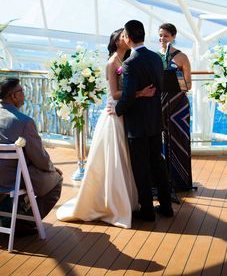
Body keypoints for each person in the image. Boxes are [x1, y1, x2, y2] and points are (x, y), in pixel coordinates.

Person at [57, 28, 155, 228]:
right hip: (113, 116)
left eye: (126, 35)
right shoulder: (112, 63)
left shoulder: (126, 60)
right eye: (122, 36)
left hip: (123, 114)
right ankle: (113, 203)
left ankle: (127, 200)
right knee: (114, 161)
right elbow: (115, 93)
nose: (126, 39)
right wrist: (140, 93)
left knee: (125, 160)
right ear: (116, 41)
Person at [114, 20, 173, 221]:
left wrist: (117, 110)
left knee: (141, 167)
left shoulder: (130, 63)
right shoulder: (156, 58)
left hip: (137, 123)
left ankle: (147, 210)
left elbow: (128, 96)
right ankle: (166, 206)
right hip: (155, 119)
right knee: (158, 162)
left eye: (123, 35)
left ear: (128, 38)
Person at [0, 77, 63, 235]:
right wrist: (52, 169)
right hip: (10, 181)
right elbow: (40, 159)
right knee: (56, 178)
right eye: (22, 91)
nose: (24, 95)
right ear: (13, 96)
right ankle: (25, 223)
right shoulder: (24, 122)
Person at [158, 23, 193, 191]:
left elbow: (188, 85)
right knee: (160, 142)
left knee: (180, 140)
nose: (162, 38)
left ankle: (181, 181)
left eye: (165, 35)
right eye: (160, 35)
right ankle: (164, 182)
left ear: (173, 37)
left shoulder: (182, 57)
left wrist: (176, 77)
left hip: (178, 106)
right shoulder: (156, 56)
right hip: (160, 104)